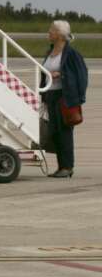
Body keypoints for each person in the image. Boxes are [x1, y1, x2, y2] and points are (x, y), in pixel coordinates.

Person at [41, 20, 88, 178]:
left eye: (52, 30)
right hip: (50, 96)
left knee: (64, 132)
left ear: (60, 35)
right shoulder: (50, 52)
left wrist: (61, 75)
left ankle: (67, 167)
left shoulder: (72, 54)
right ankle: (61, 167)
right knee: (54, 132)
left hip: (64, 97)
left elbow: (82, 76)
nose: (49, 32)